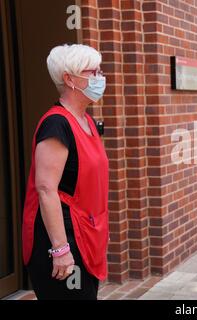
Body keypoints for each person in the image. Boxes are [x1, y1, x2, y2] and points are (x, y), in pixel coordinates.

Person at [22, 44, 109, 300]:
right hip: (61, 240)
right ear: (69, 79)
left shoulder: (88, 121)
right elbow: (46, 188)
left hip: (87, 233)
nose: (100, 77)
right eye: (93, 72)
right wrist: (60, 250)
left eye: (100, 71)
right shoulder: (56, 124)